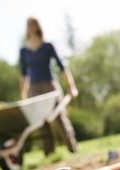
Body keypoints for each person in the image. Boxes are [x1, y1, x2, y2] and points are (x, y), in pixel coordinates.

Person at [19, 17, 79, 155]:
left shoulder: (47, 46)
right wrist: (23, 94)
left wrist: (71, 85)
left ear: (38, 26)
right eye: (28, 24)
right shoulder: (24, 51)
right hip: (34, 88)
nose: (31, 27)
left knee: (60, 118)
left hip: (50, 86)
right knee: (40, 122)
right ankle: (49, 154)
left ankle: (73, 149)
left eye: (33, 24)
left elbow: (61, 66)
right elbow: (23, 74)